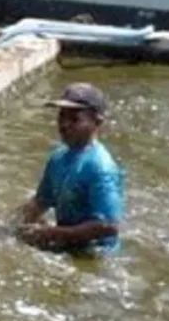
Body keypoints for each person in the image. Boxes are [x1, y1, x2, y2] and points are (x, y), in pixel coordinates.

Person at [18, 83, 124, 254]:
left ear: (97, 122)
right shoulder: (58, 157)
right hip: (65, 244)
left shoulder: (101, 167)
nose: (64, 124)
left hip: (95, 256)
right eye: (61, 116)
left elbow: (109, 226)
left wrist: (52, 233)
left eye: (75, 119)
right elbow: (40, 203)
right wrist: (14, 225)